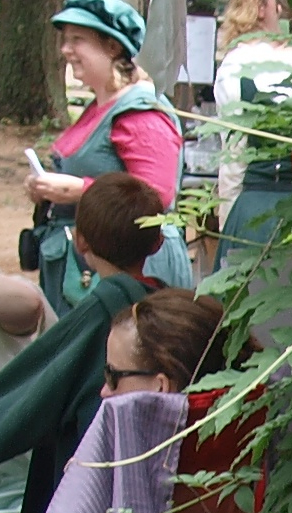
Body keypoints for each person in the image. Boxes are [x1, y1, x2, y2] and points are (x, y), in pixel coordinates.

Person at [4, 0, 195, 327]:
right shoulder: (102, 105)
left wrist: (79, 191)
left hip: (132, 271)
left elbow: (155, 195)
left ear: (112, 47)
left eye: (77, 39)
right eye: (65, 39)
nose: (65, 49)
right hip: (92, 269)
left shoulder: (141, 111)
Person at [0, 177, 170, 513]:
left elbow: (24, 407)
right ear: (158, 243)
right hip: (161, 496)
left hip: (86, 508)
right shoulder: (176, 312)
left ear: (80, 241)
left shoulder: (93, 321)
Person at [213, 0, 292, 259]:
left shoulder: (234, 65)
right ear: (261, 8)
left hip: (255, 213)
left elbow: (233, 159)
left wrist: (227, 224)